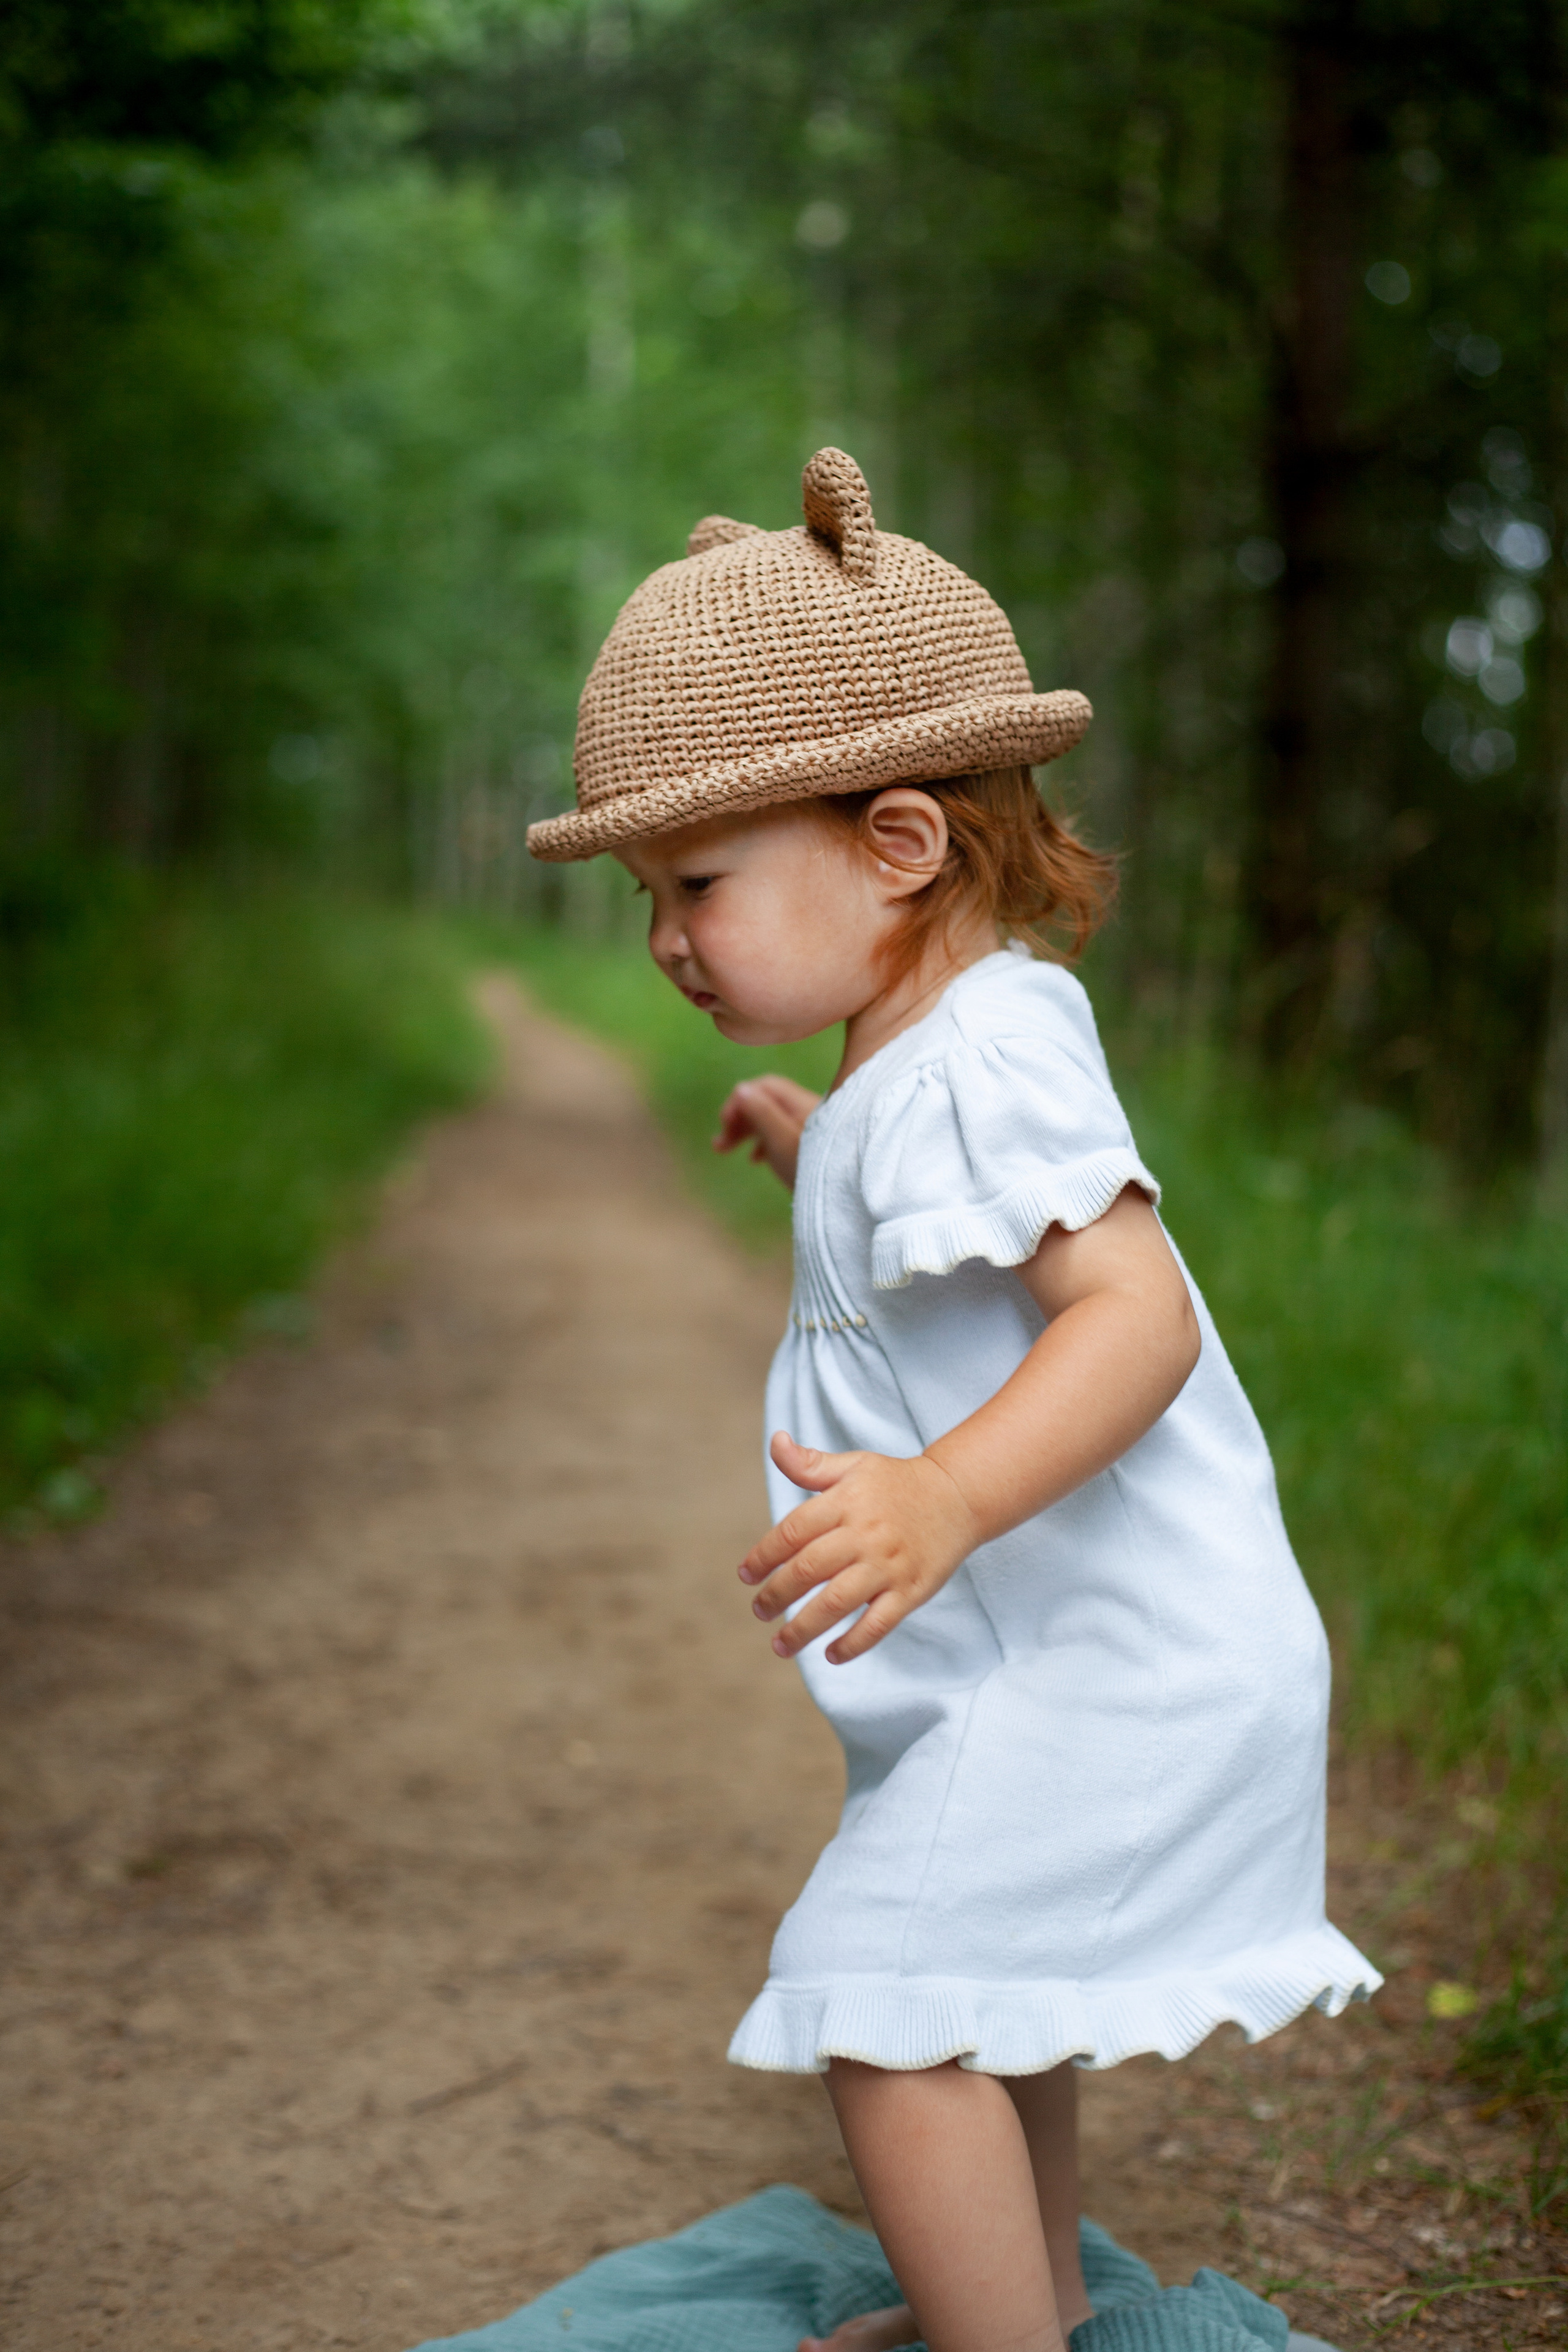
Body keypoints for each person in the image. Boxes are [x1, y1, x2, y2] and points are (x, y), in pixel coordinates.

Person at [527, 450, 1379, 2352]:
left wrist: (947, 1497)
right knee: (975, 1994)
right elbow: (963, 1235)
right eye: (653, 897)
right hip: (1062, 1658)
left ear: (902, 842)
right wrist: (821, 1159)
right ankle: (1014, 2308)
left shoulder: (983, 1051)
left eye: (698, 885)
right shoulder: (916, 1061)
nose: (665, 938)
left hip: (1115, 1663)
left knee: (880, 1998)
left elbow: (1136, 1319)